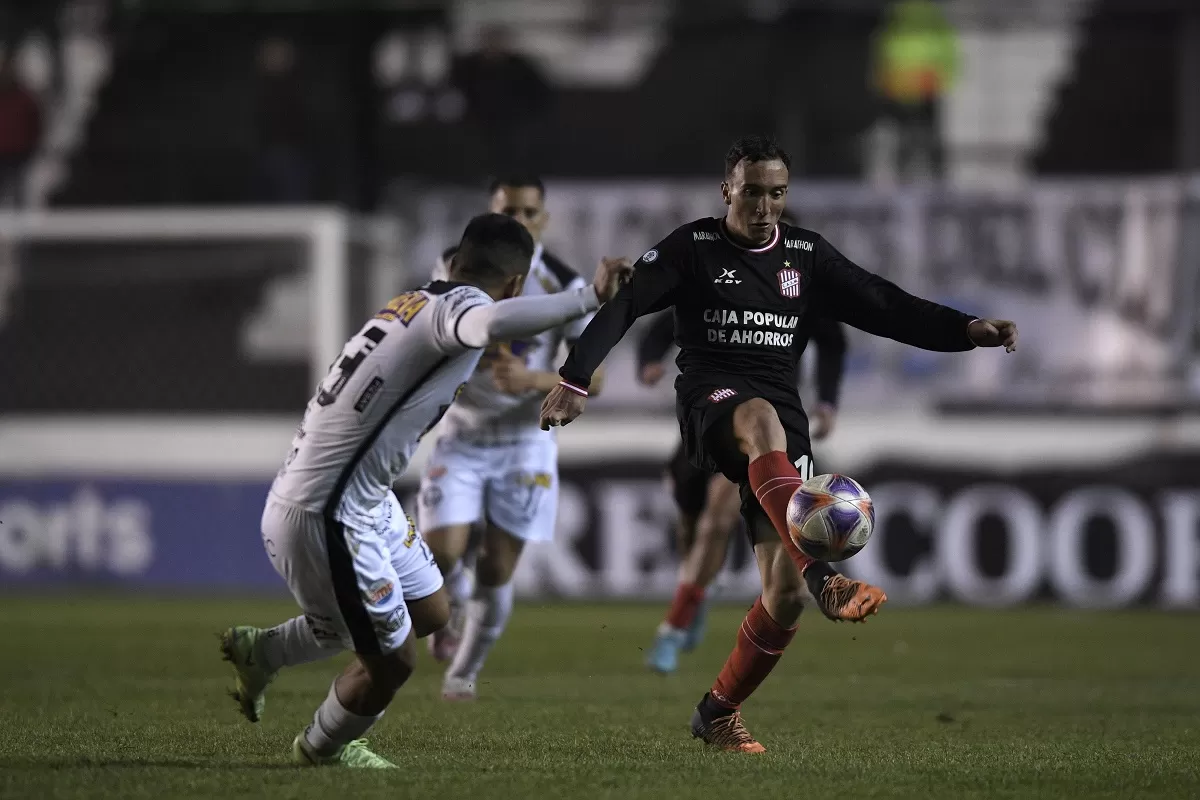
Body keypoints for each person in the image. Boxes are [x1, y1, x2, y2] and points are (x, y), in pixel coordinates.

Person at [540, 134, 1017, 753]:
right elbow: (627, 304)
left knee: (781, 597)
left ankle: (718, 711)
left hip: (783, 418)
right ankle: (825, 575)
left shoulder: (806, 255)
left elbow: (883, 303)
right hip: (712, 400)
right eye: (754, 192)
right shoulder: (693, 247)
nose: (765, 205)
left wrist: (965, 330)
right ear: (727, 191)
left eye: (777, 193)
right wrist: (574, 378)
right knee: (759, 422)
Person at [218, 213, 631, 768]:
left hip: (362, 495)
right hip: (327, 513)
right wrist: (589, 297)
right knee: (394, 663)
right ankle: (323, 748)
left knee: (433, 611)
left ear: (457, 259)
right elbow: (485, 326)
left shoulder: (412, 301)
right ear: (513, 284)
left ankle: (262, 651)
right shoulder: (454, 310)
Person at [417, 176, 605, 701]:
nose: (519, 220)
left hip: (526, 439)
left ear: (543, 219)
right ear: (492, 211)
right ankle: (447, 605)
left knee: (498, 566)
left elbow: (596, 379)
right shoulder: (455, 265)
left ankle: (463, 673)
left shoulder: (565, 283)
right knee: (442, 556)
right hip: (463, 432)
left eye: (529, 211)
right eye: (509, 210)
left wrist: (535, 381)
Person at [637, 290, 847, 674]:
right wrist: (649, 359)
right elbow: (668, 320)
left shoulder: (802, 288)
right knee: (691, 526)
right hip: (710, 418)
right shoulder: (723, 278)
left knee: (717, 518)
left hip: (765, 427)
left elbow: (832, 341)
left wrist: (828, 401)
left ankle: (672, 628)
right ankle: (698, 591)